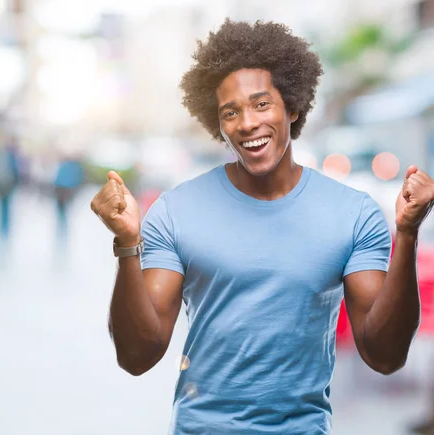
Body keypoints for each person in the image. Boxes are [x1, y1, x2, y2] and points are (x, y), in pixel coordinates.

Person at [90, 20, 434, 434]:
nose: (247, 123)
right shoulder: (175, 211)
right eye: (230, 112)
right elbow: (136, 355)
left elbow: (385, 355)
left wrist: (408, 235)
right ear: (218, 125)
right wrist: (127, 243)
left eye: (261, 104)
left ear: (292, 107)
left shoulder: (354, 214)